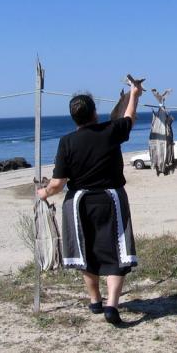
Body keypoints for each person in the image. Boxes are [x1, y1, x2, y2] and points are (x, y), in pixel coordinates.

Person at [37, 82, 142, 325]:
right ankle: (111, 305)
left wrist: (43, 193)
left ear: (74, 118)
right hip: (110, 199)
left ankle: (95, 301)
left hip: (79, 203)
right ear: (95, 113)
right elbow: (130, 117)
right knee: (116, 251)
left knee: (87, 251)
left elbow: (58, 183)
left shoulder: (66, 142)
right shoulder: (110, 130)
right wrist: (134, 94)